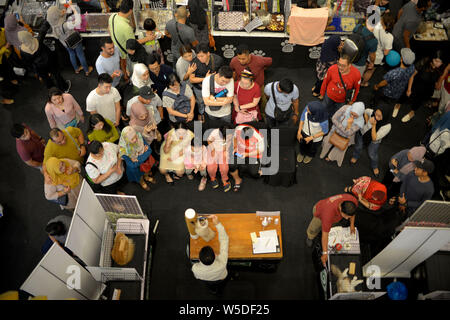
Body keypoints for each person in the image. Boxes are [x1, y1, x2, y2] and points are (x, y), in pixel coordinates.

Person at [305, 194, 358, 266]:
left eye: (349, 217)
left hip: (333, 217)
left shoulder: (352, 201)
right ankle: (310, 236)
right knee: (314, 228)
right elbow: (325, 235)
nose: (346, 218)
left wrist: (352, 224)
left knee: (327, 226)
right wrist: (325, 253)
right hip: (321, 213)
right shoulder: (328, 214)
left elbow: (352, 214)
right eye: (346, 216)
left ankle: (325, 227)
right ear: (340, 208)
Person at [46, 4, 93, 76]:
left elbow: (60, 19)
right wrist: (75, 11)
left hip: (65, 42)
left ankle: (76, 69)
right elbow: (78, 22)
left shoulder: (53, 24)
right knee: (80, 54)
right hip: (74, 40)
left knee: (71, 54)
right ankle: (87, 70)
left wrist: (63, 13)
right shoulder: (65, 25)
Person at [400, 51, 446, 123]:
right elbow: (412, 75)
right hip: (417, 83)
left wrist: (438, 82)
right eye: (436, 61)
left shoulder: (442, 67)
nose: (437, 63)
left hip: (428, 87)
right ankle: (398, 104)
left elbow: (440, 76)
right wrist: (409, 89)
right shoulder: (424, 62)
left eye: (440, 62)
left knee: (420, 100)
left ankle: (412, 112)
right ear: (432, 59)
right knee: (406, 95)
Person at [373, 48, 416, 117]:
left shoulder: (394, 73)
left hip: (386, 92)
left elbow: (384, 82)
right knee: (389, 104)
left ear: (401, 59)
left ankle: (375, 108)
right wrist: (409, 89)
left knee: (378, 99)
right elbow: (412, 76)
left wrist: (377, 86)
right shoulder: (412, 67)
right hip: (398, 92)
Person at [319, 102, 366, 167]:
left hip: (345, 137)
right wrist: (344, 128)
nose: (352, 116)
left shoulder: (360, 122)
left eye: (355, 116)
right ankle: (323, 153)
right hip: (335, 130)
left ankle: (331, 157)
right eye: (352, 113)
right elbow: (333, 118)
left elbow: (349, 133)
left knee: (340, 148)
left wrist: (349, 125)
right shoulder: (345, 108)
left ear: (360, 115)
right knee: (327, 142)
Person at [191, 215, 229, 294]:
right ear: (215, 255)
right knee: (221, 284)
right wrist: (217, 224)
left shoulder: (195, 268)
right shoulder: (222, 263)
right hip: (221, 278)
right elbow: (224, 241)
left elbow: (196, 276)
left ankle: (212, 290)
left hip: (206, 280)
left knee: (210, 285)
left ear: (199, 259)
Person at [230, 44, 272, 113]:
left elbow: (270, 61)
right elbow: (233, 70)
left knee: (263, 101)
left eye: (243, 59)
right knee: (241, 101)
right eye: (239, 58)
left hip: (258, 86)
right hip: (241, 87)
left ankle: (263, 115)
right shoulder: (234, 61)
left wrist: (263, 69)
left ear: (249, 55)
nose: (241, 61)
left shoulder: (259, 60)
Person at [350, 106, 391, 177]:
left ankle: (374, 166)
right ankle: (355, 156)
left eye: (379, 116)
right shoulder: (372, 112)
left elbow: (374, 138)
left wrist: (374, 125)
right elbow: (366, 111)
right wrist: (366, 121)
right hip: (362, 134)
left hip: (374, 141)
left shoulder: (387, 126)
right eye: (376, 114)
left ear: (385, 116)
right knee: (358, 146)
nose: (376, 117)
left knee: (372, 154)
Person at [190, 43, 223, 120]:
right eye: (198, 56)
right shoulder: (195, 62)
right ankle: (202, 114)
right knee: (201, 102)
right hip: (199, 88)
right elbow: (191, 79)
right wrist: (206, 78)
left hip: (213, 87)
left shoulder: (218, 60)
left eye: (202, 56)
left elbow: (222, 75)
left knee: (213, 101)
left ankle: (214, 115)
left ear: (208, 53)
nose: (200, 58)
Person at [361, 12, 395, 86]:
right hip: (377, 57)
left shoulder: (375, 26)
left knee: (365, 67)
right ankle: (363, 83)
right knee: (370, 71)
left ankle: (358, 79)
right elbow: (386, 53)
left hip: (368, 51)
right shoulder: (390, 37)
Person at [229, 124, 265, 192]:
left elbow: (261, 150)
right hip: (240, 151)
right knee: (231, 165)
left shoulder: (258, 136)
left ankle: (261, 167)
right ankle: (237, 180)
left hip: (252, 154)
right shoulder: (238, 129)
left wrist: (247, 154)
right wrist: (235, 147)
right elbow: (234, 138)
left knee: (254, 173)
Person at [119, 126, 156, 191]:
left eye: (135, 137)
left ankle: (146, 177)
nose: (136, 140)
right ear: (126, 139)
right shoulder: (123, 150)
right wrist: (143, 153)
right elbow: (132, 165)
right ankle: (142, 182)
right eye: (132, 139)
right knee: (139, 176)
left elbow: (149, 150)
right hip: (137, 169)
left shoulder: (138, 136)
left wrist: (138, 158)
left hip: (145, 164)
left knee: (146, 171)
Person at [108, 0, 135, 81]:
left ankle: (125, 74)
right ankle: (126, 76)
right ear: (130, 10)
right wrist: (147, 39)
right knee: (124, 63)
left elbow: (109, 28)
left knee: (120, 62)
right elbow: (132, 44)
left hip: (115, 46)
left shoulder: (112, 16)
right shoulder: (126, 28)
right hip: (123, 51)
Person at [206, 125, 232, 192]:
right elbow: (209, 140)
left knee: (224, 167)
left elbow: (230, 143)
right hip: (214, 149)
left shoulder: (230, 133)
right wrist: (212, 149)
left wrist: (226, 150)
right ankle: (213, 178)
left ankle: (224, 179)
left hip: (223, 151)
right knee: (210, 167)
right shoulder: (215, 132)